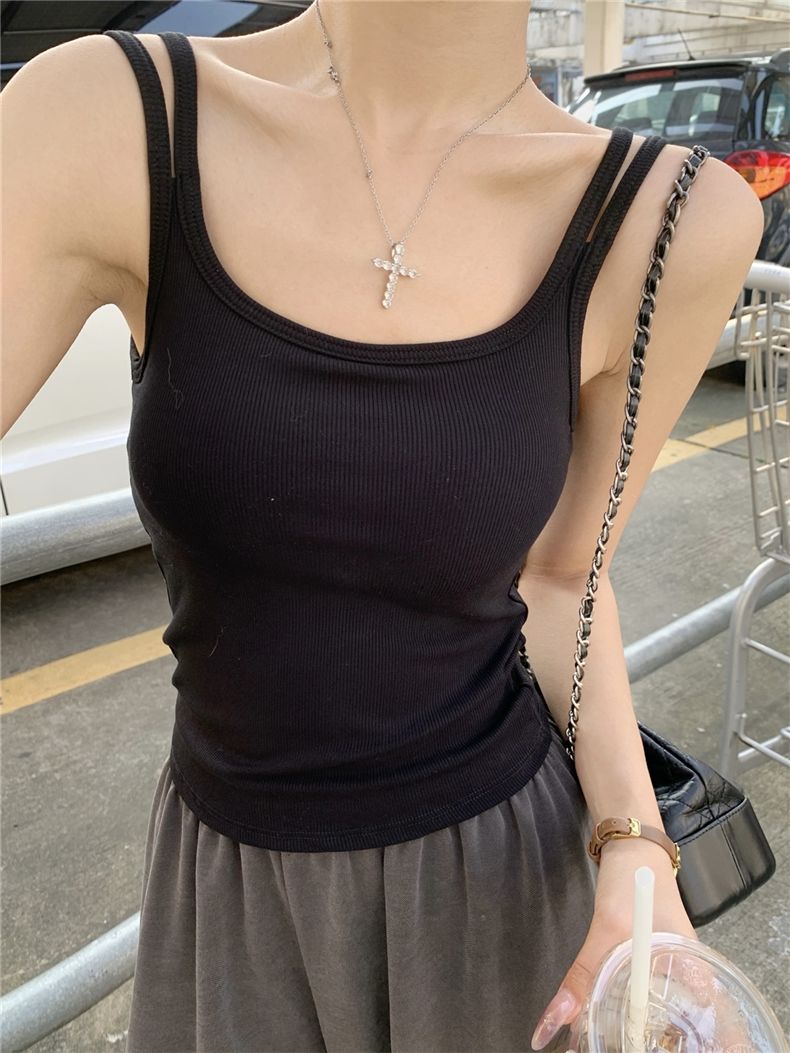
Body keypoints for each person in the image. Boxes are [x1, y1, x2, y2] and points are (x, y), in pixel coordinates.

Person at [1, 2, 763, 1051]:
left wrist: (634, 844)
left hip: (501, 887)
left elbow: (564, 581)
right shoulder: (112, 115)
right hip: (233, 887)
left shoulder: (671, 217)